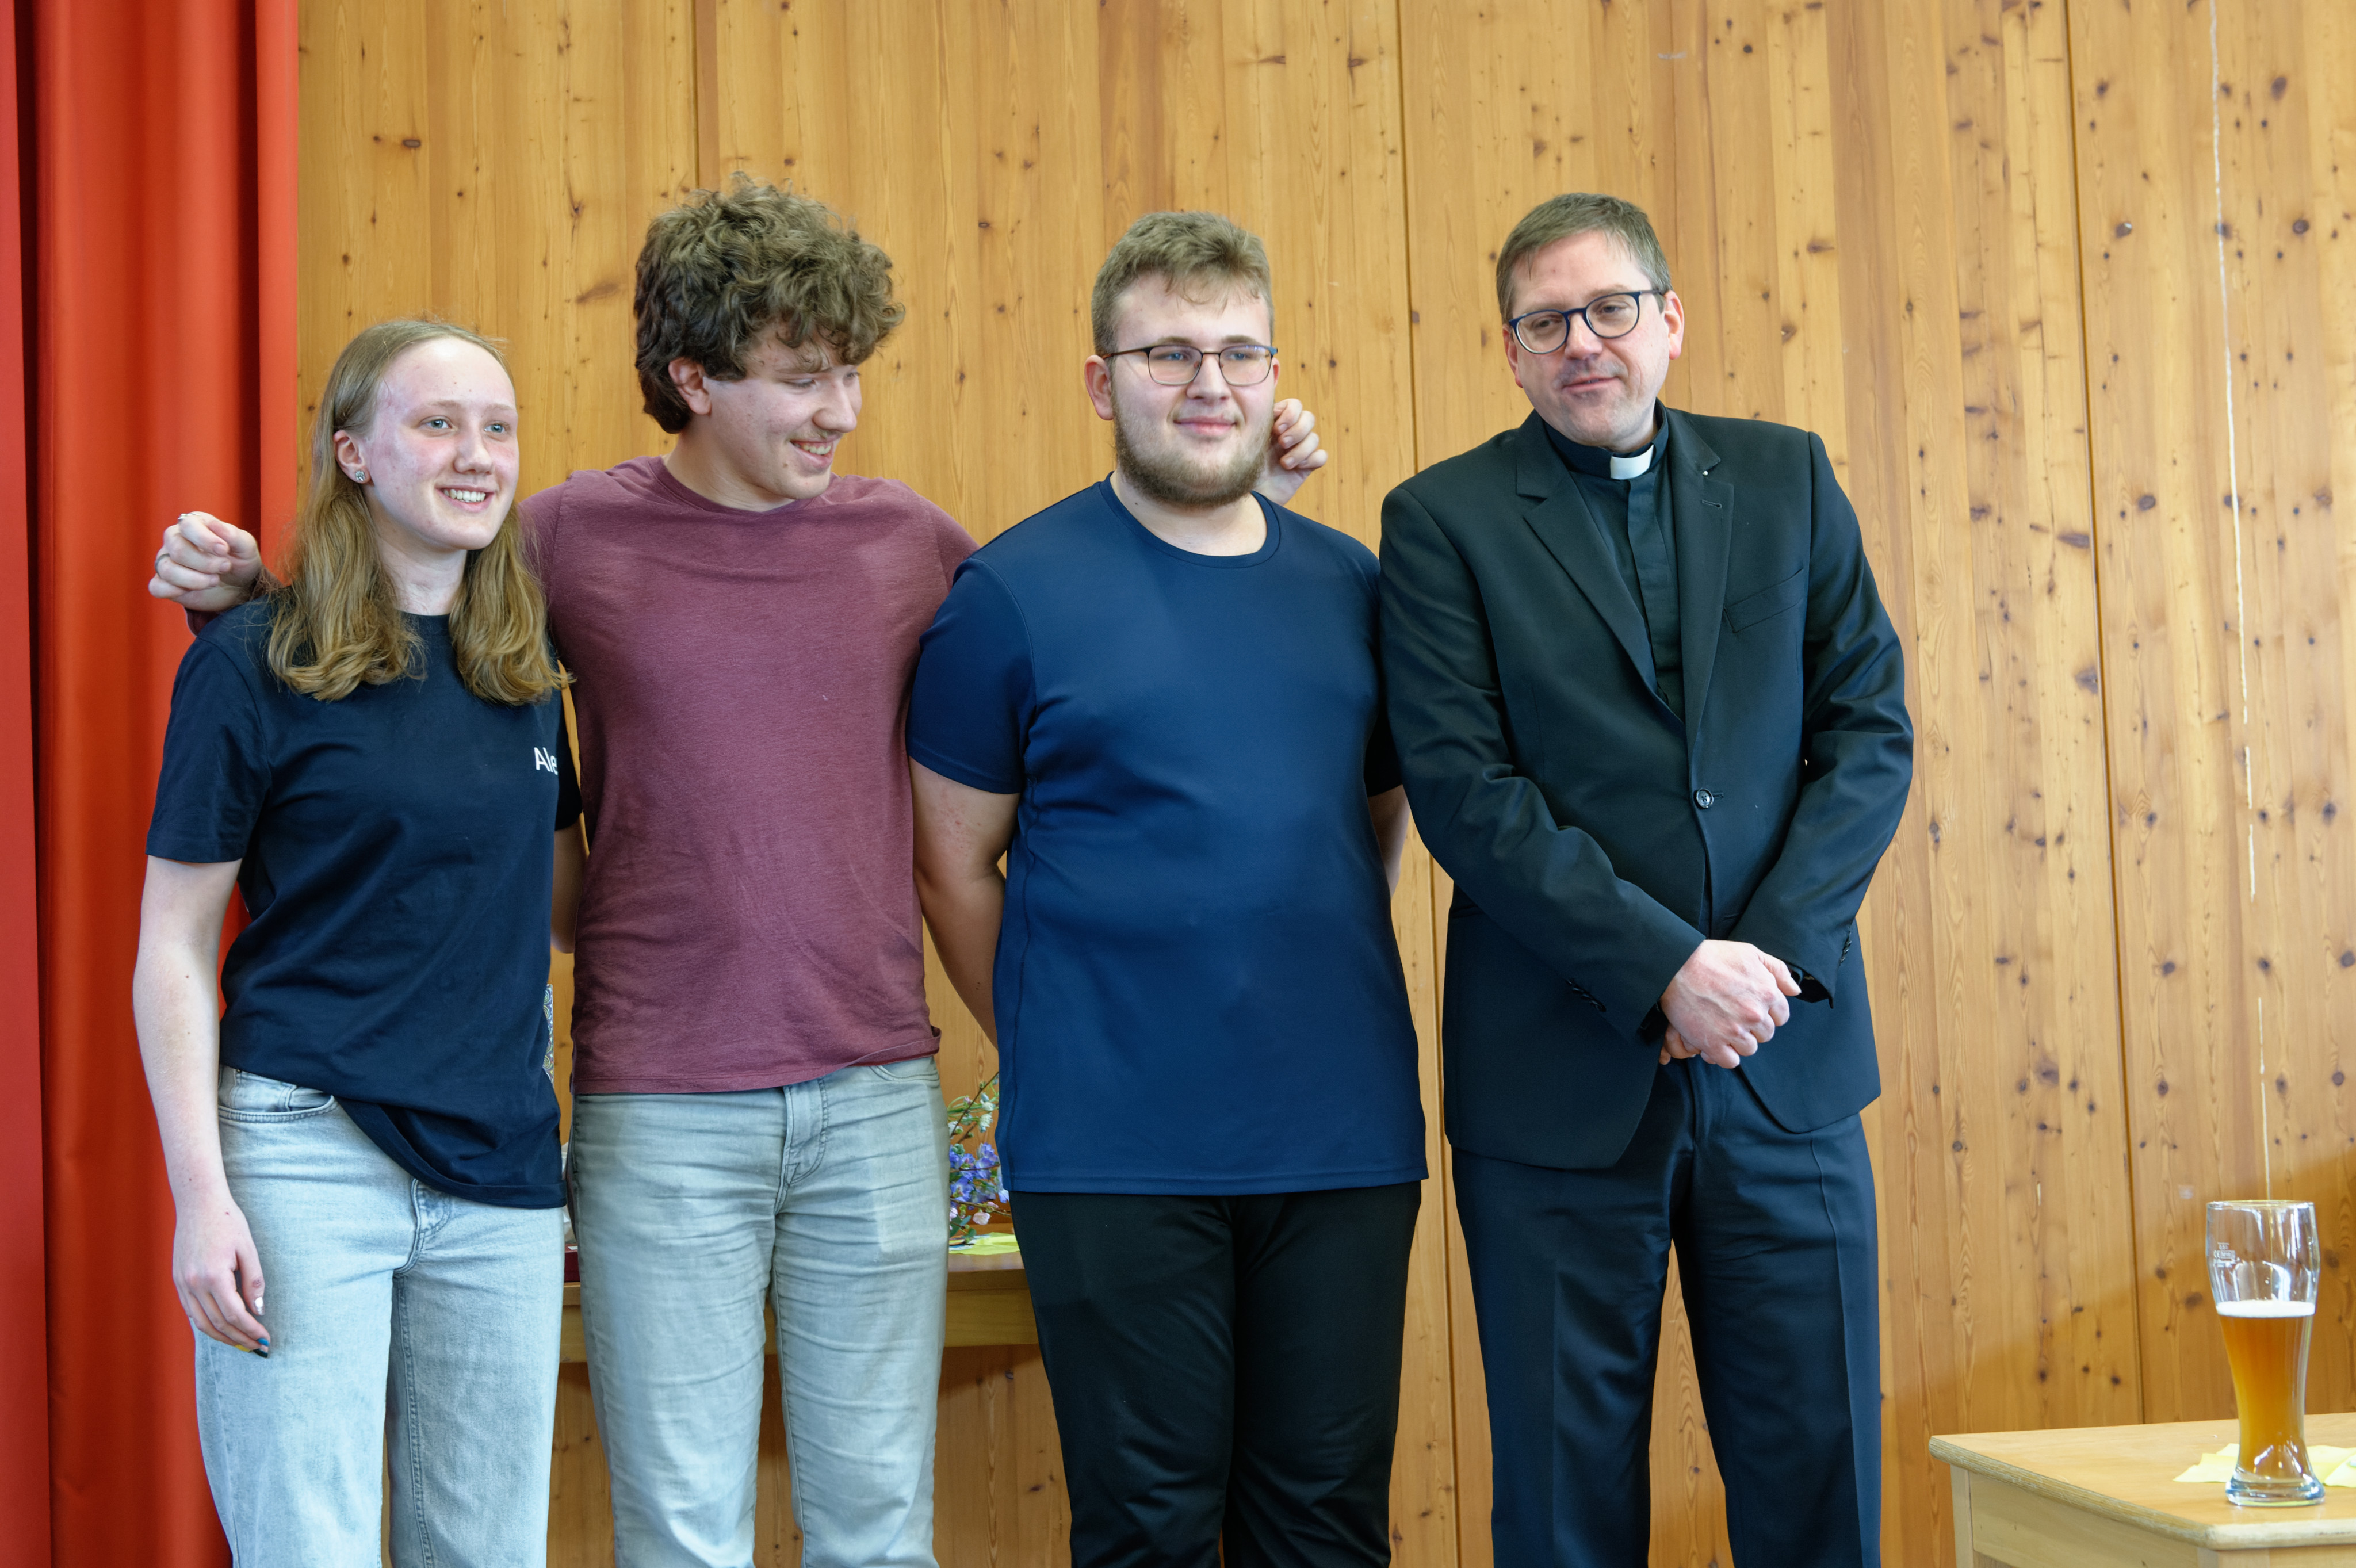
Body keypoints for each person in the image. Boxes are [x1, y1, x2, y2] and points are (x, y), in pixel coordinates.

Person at [149, 177, 1331, 1568]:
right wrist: (248, 605)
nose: (840, 411)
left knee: (877, 1532)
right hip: (656, 1104)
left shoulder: (911, 545)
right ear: (693, 379)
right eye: (802, 379)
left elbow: (1094, 642)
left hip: (874, 1094)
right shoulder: (561, 541)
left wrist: (1247, 495)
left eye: (850, 374)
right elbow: (391, 629)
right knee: (681, 1534)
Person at [1378, 192, 1913, 1566]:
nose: (1580, 343)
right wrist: (1664, 968)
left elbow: (1867, 732)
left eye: (1608, 309)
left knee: (1820, 1495)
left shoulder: (1787, 477)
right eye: (1544, 323)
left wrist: (1762, 965)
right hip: (1555, 1083)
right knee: (1562, 1515)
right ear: (1509, 352)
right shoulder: (1440, 522)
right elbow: (1466, 793)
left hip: (1783, 1062)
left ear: (1667, 320)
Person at [905, 211, 1425, 1568]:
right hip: (1111, 1144)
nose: (1209, 383)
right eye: (1169, 353)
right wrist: (1059, 1041)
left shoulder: (1354, 588)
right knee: (1148, 1531)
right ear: (1102, 381)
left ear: (1273, 373)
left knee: (1324, 1529)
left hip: (1339, 1136)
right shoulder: (1008, 595)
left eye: (1238, 352)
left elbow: (1367, 824)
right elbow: (951, 864)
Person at [133, 318, 582, 1565]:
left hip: (500, 1176)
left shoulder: (525, 674)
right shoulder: (252, 659)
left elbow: (565, 909)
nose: (476, 454)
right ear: (354, 454)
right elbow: (172, 945)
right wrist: (202, 1197)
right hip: (305, 1158)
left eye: (497, 428)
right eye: (437, 423)